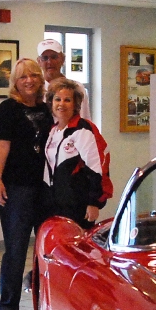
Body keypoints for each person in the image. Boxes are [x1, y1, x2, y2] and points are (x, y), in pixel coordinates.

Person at [0, 57, 53, 310]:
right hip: (16, 187)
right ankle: (7, 305)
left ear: (40, 79)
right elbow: (1, 146)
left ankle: (43, 303)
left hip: (45, 188)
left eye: (34, 76)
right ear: (15, 82)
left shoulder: (47, 108)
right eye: (23, 77)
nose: (29, 81)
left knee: (44, 248)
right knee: (16, 248)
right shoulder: (7, 109)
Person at [44, 77, 112, 229]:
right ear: (51, 102)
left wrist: (94, 203)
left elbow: (96, 167)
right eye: (57, 99)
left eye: (67, 100)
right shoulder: (53, 131)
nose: (61, 104)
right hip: (57, 204)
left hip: (78, 206)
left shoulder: (83, 129)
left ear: (75, 104)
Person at [37, 38, 92, 121]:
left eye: (54, 57)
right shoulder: (36, 90)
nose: (49, 62)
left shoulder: (77, 88)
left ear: (62, 59)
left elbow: (84, 119)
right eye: (45, 58)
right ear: (39, 62)